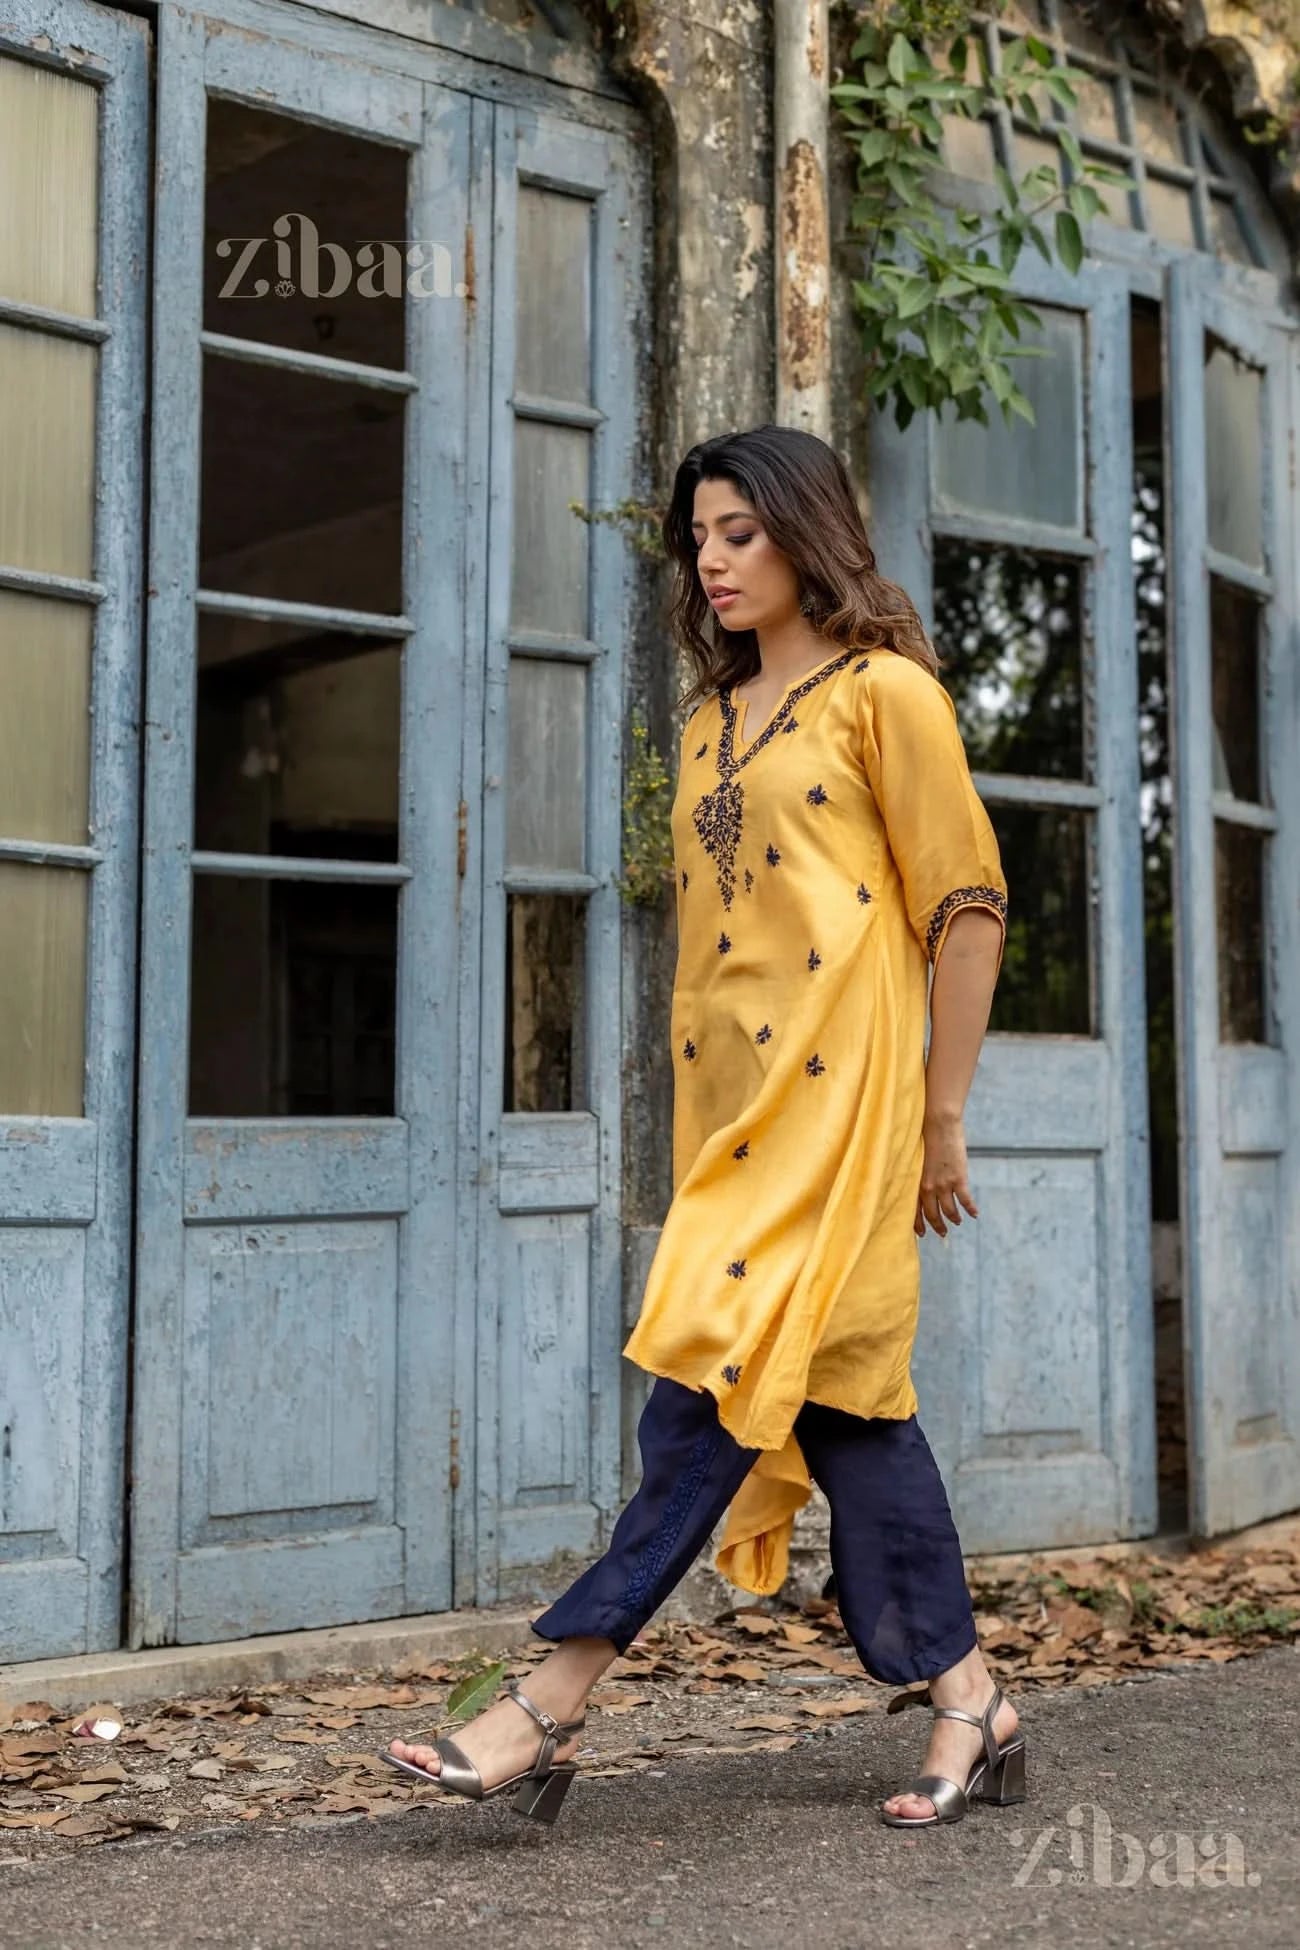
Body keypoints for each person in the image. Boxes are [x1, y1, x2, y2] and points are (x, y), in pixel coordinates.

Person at [384, 425, 1021, 1830]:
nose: (713, 561)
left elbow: (966, 909)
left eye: (740, 532)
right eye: (699, 539)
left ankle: (551, 1696)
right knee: (847, 1402)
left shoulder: (885, 695)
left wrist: (943, 1116)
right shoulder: (708, 718)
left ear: (806, 529)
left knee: (710, 1390)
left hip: (845, 1107)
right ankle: (972, 1696)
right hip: (737, 1116)